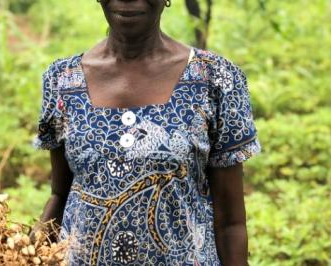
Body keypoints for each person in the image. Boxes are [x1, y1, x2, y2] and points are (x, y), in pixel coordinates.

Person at [31, 0, 261, 265]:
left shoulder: (215, 78)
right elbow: (61, 195)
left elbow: (231, 223)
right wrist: (20, 252)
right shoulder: (62, 79)